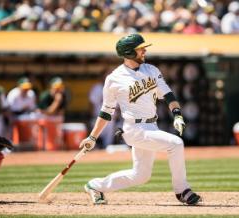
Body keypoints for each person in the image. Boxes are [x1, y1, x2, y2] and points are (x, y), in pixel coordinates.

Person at [79, 33, 201, 205]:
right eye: (140, 49)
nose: (144, 50)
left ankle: (95, 185)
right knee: (176, 144)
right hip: (134, 129)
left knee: (140, 176)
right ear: (129, 53)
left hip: (152, 126)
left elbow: (168, 95)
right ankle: (182, 191)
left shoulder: (151, 70)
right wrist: (92, 137)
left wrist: (177, 114)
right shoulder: (114, 78)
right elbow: (106, 112)